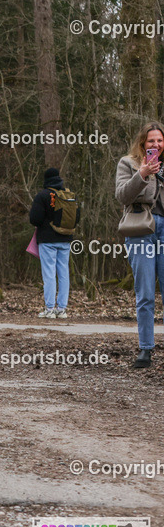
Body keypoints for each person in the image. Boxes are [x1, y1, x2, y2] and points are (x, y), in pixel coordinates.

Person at [116, 122, 164, 368]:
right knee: (145, 294)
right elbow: (122, 196)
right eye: (151, 141)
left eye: (159, 141)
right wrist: (143, 174)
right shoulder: (128, 163)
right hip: (140, 231)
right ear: (142, 143)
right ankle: (146, 349)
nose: (155, 145)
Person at [29, 168, 79, 319]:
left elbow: (34, 219)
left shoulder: (43, 196)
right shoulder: (68, 195)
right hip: (66, 239)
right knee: (64, 273)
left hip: (47, 240)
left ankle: (49, 309)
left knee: (49, 274)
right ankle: (62, 309)